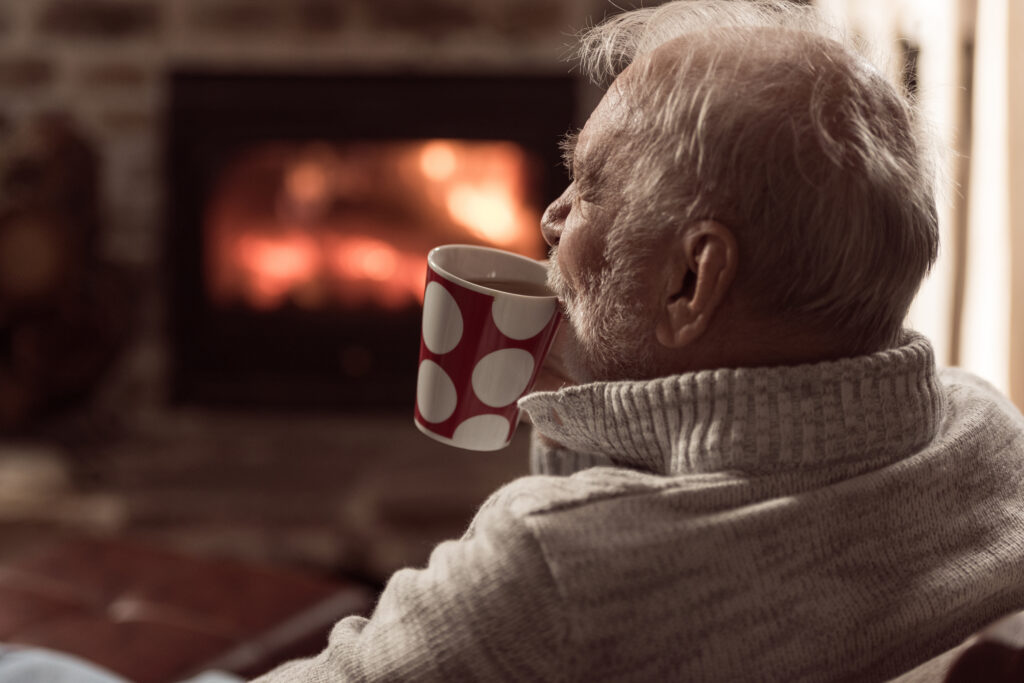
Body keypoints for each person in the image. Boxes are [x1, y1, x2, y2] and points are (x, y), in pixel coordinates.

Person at [255, 1, 1024, 681]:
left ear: (692, 280)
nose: (552, 218)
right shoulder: (990, 432)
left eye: (588, 185)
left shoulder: (556, 568)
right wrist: (604, 409)